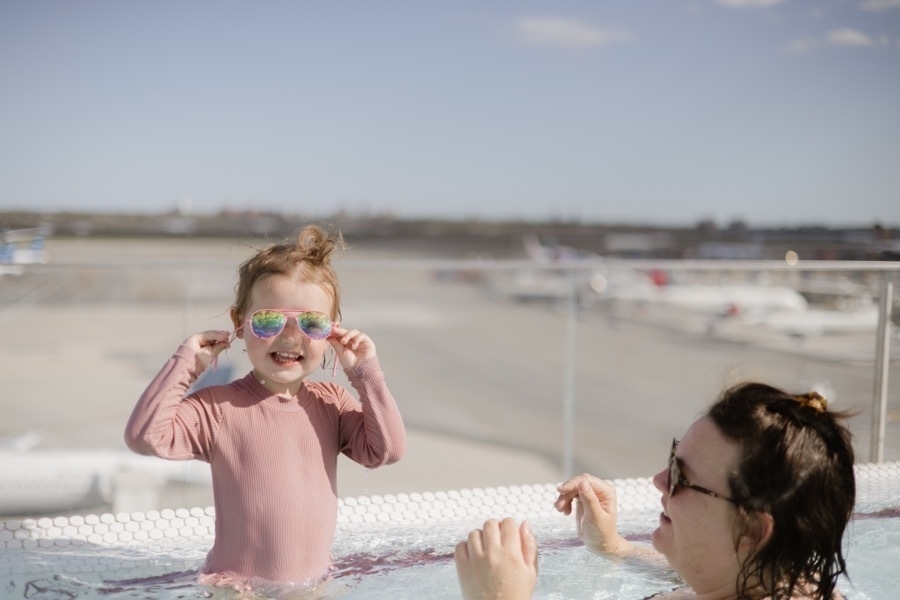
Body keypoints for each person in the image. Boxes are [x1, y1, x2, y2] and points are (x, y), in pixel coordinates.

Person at [124, 224, 407, 595]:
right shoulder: (218, 408)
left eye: (312, 323)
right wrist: (188, 362)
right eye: (270, 320)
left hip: (312, 586)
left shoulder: (331, 403)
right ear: (239, 324)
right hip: (238, 590)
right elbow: (146, 436)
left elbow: (385, 451)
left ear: (332, 334)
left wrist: (364, 372)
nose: (290, 336)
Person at [455, 382, 855, 600]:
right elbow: (720, 569)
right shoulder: (788, 579)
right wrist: (613, 546)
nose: (659, 480)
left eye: (683, 476)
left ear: (751, 531)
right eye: (673, 457)